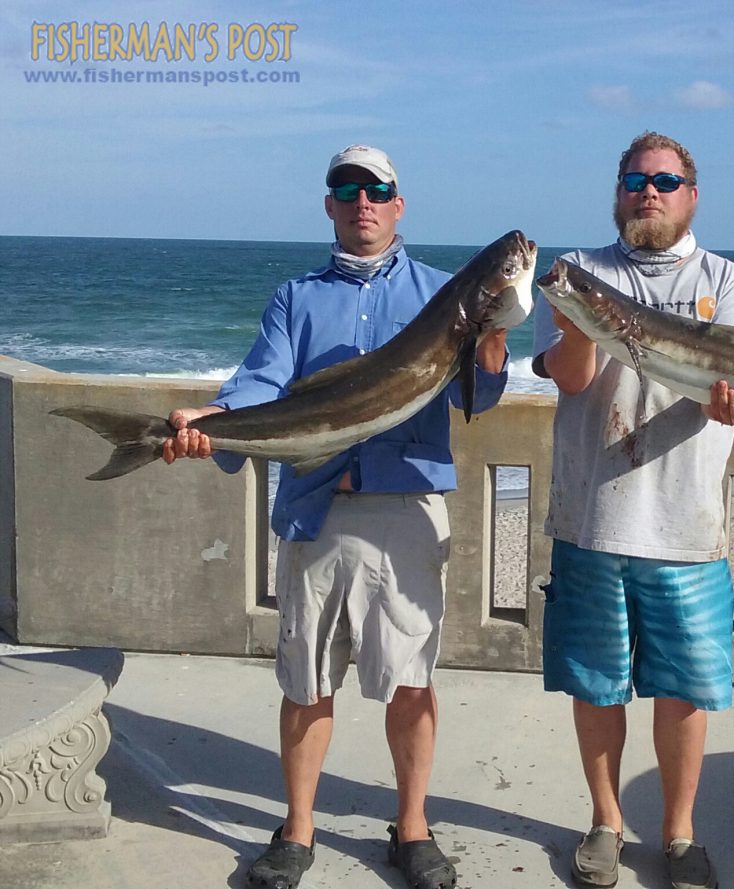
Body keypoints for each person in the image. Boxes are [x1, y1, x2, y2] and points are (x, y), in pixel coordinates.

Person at [164, 144, 510, 889]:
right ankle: (297, 826)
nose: (363, 202)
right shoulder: (295, 297)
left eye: (377, 189)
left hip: (405, 507)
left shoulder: (440, 293)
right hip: (318, 508)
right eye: (347, 189)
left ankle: (412, 827)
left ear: (399, 203)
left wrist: (492, 340)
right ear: (329, 204)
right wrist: (214, 418)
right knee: (305, 680)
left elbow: (475, 401)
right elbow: (262, 382)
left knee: (411, 681)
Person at [532, 131, 734, 889]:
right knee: (595, 683)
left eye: (665, 181)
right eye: (635, 179)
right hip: (591, 518)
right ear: (617, 191)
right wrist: (579, 320)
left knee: (684, 688)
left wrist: (732, 400)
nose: (649, 192)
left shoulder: (728, 283)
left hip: (686, 526)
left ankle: (676, 832)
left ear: (692, 195)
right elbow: (569, 380)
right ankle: (605, 821)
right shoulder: (577, 273)